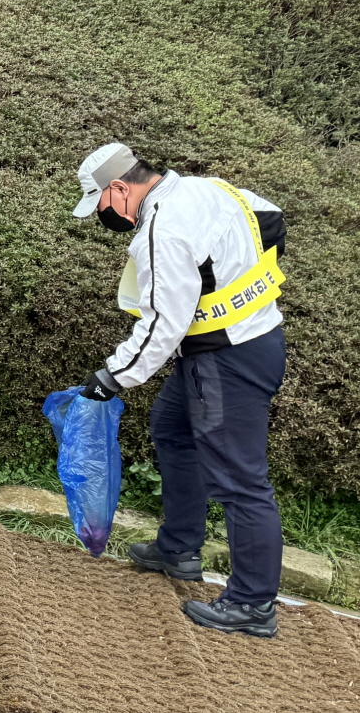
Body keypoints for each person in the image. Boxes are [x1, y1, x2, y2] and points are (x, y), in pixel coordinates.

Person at [71, 143, 288, 638]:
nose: (104, 217)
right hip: (252, 341)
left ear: (120, 188)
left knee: (240, 481)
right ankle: (179, 547)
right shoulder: (207, 188)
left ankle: (253, 603)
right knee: (171, 429)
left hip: (224, 362)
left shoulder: (162, 228)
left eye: (102, 205)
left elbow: (163, 324)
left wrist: (113, 377)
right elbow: (272, 219)